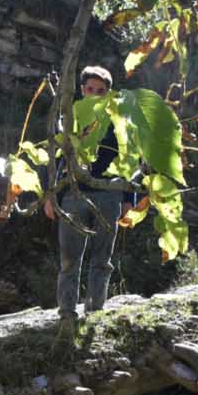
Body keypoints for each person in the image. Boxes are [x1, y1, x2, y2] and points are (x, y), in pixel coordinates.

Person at [44, 65, 134, 324]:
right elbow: (56, 158)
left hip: (109, 194)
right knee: (70, 259)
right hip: (73, 194)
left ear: (108, 93)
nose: (95, 94)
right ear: (82, 90)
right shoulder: (69, 119)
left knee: (102, 258)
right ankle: (67, 313)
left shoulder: (119, 122)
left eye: (101, 91)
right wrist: (51, 195)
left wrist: (130, 200)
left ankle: (95, 311)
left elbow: (130, 161)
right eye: (90, 89)